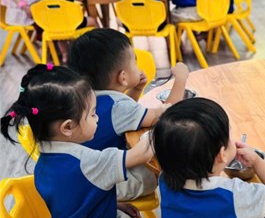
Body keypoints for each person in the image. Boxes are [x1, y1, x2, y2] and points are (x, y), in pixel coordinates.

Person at [0, 64, 167, 218]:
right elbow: (144, 152)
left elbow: (71, 199)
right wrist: (165, 123)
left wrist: (111, 204)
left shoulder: (46, 157)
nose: (98, 119)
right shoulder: (88, 162)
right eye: (93, 114)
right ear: (68, 127)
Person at [68, 28, 189, 201]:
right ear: (123, 77)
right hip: (109, 186)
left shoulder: (84, 97)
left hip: (82, 179)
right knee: (163, 166)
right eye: (135, 61)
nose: (138, 66)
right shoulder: (119, 107)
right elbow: (167, 115)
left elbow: (121, 116)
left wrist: (137, 89)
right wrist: (181, 80)